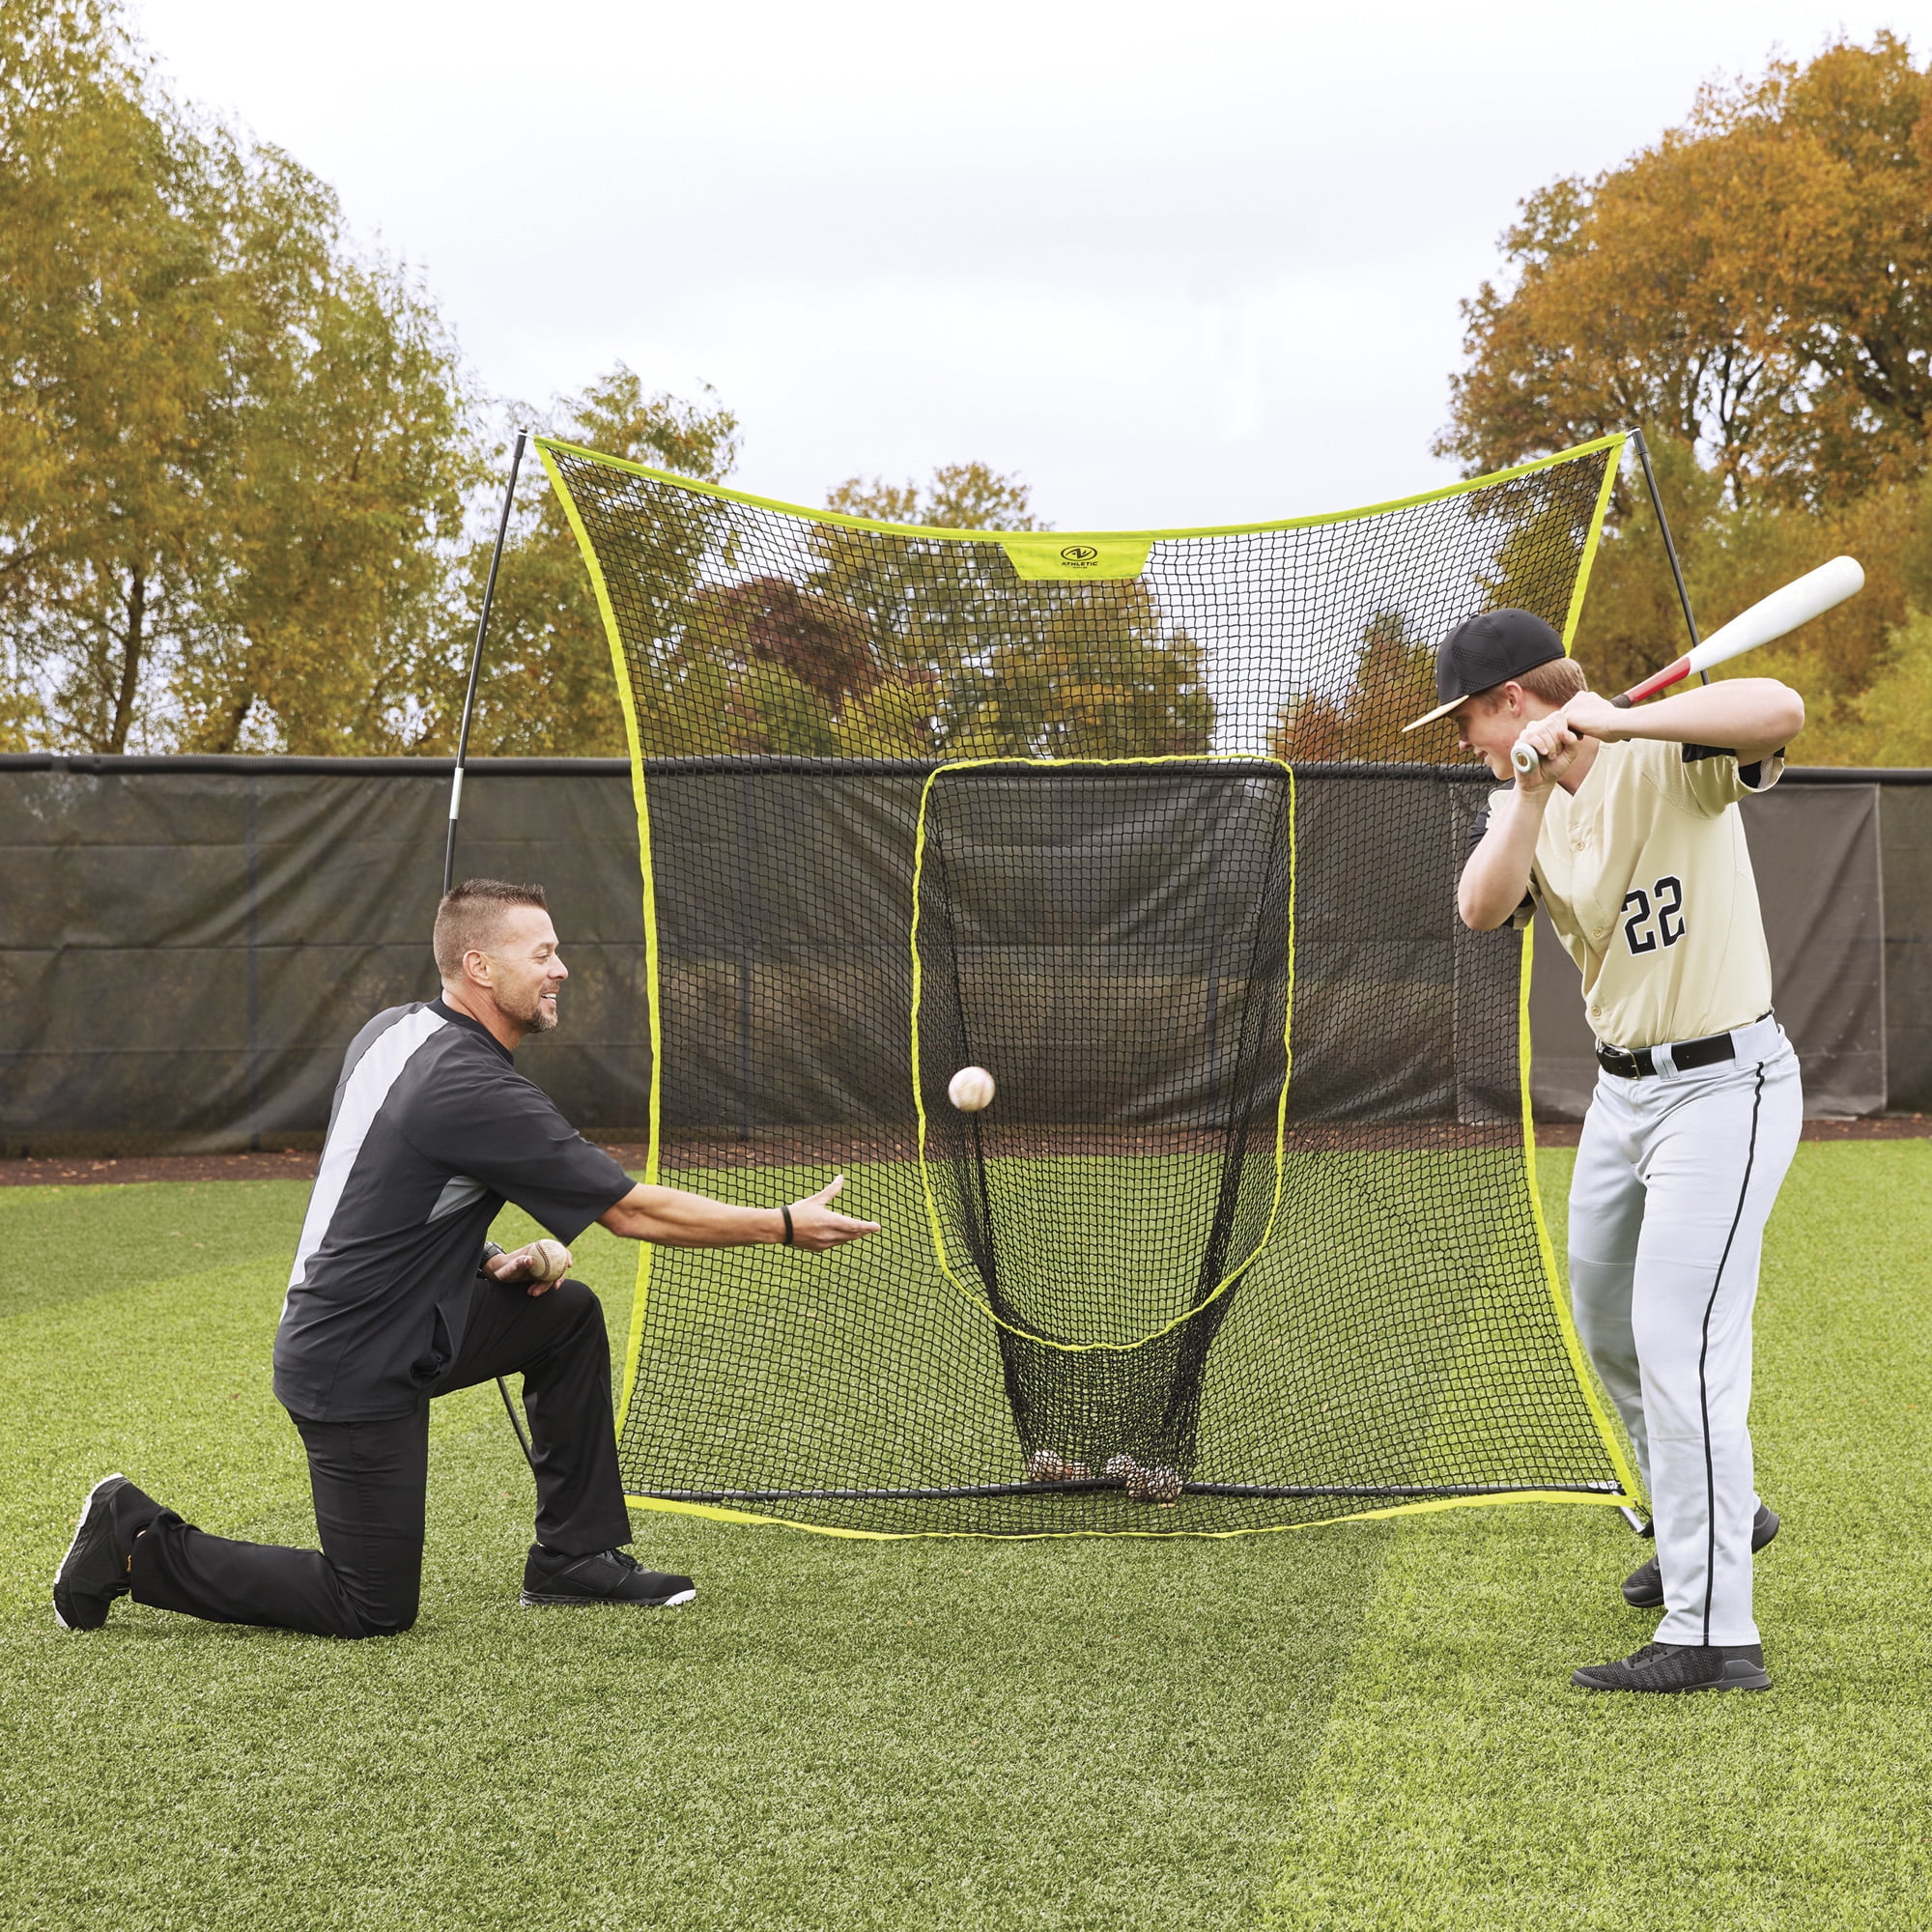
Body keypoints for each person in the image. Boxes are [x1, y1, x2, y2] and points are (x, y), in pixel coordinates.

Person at [54, 878, 880, 1638]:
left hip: (416, 1320)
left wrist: (486, 1255)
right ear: (480, 966)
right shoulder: (469, 1087)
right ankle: (134, 1540)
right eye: (543, 953)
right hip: (353, 1362)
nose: (562, 968)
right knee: (369, 1604)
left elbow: (389, 1182)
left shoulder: (401, 1028)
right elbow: (630, 1211)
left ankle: (573, 1558)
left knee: (563, 1314)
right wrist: (780, 1223)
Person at [1408, 609, 1804, 1694]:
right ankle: (1720, 1507)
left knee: (1678, 1344)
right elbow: (1478, 905)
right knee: (1604, 1320)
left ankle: (1713, 1632)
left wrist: (1623, 720)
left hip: (1726, 1086)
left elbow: (1779, 708)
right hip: (1621, 1100)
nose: (1463, 741)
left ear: (1512, 700)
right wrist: (1529, 790)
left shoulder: (1664, 753)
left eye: (1467, 720)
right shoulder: (1518, 796)